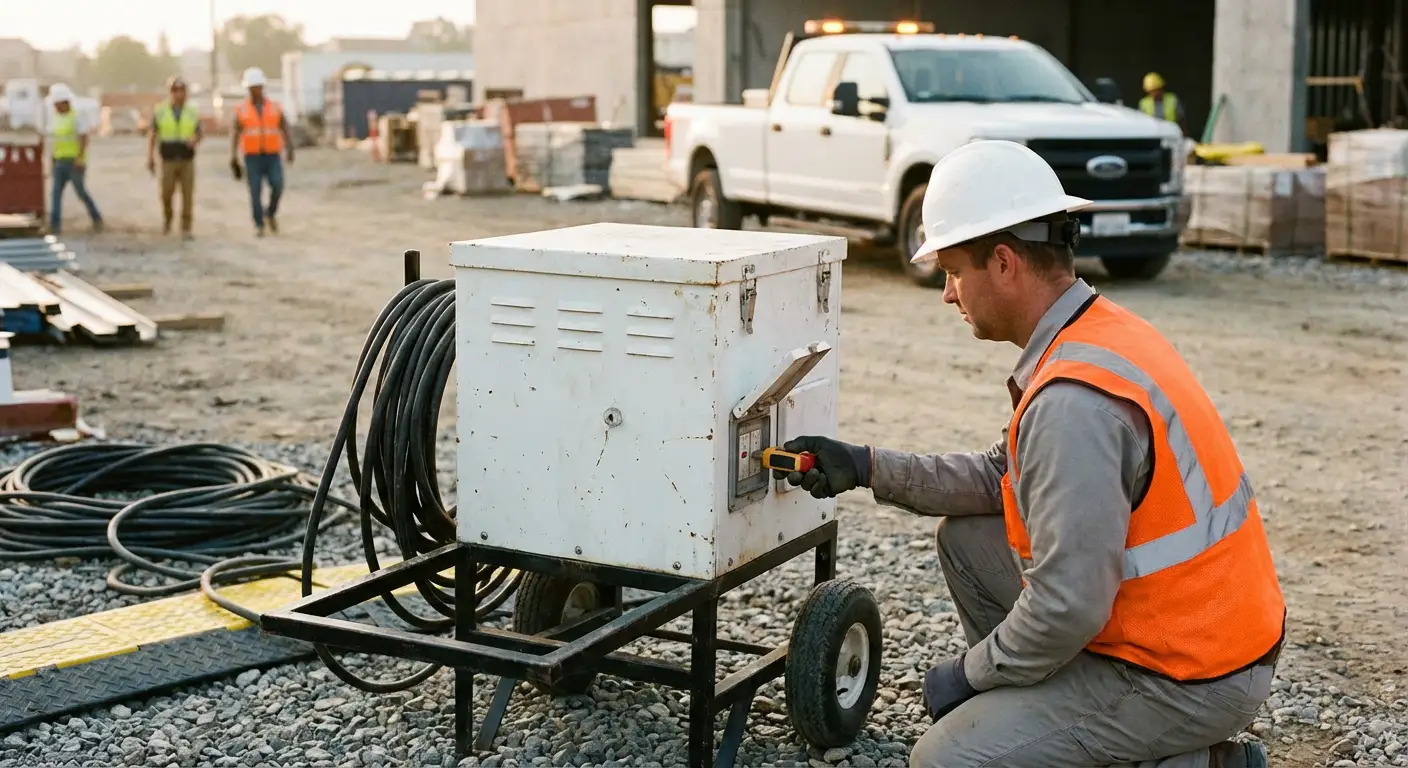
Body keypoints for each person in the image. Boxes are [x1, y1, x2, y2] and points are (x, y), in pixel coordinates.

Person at [775, 140, 1284, 768]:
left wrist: (969, 674)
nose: (949, 294)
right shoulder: (1098, 332)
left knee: (945, 761)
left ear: (1004, 263)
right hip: (1202, 633)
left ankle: (1192, 761)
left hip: (1188, 673)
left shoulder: (1074, 405)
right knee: (967, 539)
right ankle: (1059, 728)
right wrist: (867, 465)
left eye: (953, 271)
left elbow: (1068, 606)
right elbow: (1000, 475)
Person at [230, 66, 293, 237]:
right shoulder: (241, 110)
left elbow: (284, 127)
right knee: (255, 191)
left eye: (257, 87)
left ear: (263, 87)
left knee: (278, 185)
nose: (255, 91)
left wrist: (290, 147)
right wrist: (233, 157)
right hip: (252, 157)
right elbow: (235, 133)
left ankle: (270, 213)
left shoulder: (275, 107)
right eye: (252, 88)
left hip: (272, 155)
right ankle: (259, 224)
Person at [147, 76, 202, 239]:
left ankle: (186, 227)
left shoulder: (192, 111)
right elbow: (153, 134)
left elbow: (199, 132)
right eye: (175, 91)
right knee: (166, 193)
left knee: (187, 194)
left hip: (187, 159)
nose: (179, 94)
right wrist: (150, 157)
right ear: (171, 92)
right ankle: (168, 219)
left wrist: (195, 139)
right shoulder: (160, 110)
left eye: (181, 91)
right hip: (168, 159)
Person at [45, 83, 103, 235]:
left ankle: (96, 218)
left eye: (56, 103)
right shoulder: (56, 118)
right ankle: (55, 225)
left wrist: (79, 158)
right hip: (59, 161)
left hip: (74, 162)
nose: (55, 107)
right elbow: (55, 140)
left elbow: (83, 138)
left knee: (81, 192)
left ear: (63, 102)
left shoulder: (77, 116)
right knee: (55, 193)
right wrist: (52, 159)